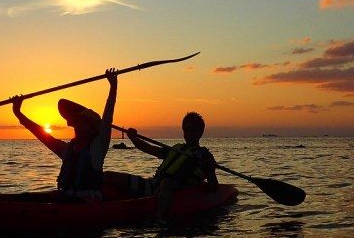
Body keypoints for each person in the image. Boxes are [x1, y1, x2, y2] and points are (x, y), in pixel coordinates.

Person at [12, 69, 117, 201]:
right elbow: (41, 134)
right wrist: (18, 113)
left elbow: (108, 117)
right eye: (77, 122)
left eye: (81, 123)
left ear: (91, 127)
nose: (76, 126)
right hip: (66, 197)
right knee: (25, 198)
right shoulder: (68, 149)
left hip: (87, 202)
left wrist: (113, 86)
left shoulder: (98, 146)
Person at [104, 111, 218, 218]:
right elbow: (148, 148)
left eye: (194, 130)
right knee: (108, 175)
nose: (190, 133)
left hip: (177, 190)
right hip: (153, 184)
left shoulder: (205, 156)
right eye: (187, 130)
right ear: (183, 130)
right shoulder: (176, 149)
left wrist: (211, 170)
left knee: (166, 182)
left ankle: (159, 219)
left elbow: (213, 186)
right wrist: (133, 138)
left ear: (201, 132)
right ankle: (91, 198)